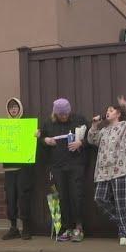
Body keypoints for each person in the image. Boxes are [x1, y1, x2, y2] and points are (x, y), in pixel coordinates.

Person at [87, 96, 126, 245]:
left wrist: (125, 107)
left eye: (111, 110)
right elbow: (91, 140)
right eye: (107, 111)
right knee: (99, 198)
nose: (108, 113)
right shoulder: (103, 131)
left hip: (121, 169)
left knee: (121, 202)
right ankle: (123, 221)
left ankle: (124, 233)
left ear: (118, 114)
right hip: (103, 171)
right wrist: (94, 125)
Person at [0, 97, 38, 240]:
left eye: (15, 107)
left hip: (23, 168)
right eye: (11, 107)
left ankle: (26, 228)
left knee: (23, 197)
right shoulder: (2, 127)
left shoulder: (27, 126)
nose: (13, 109)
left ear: (20, 109)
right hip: (9, 170)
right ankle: (13, 228)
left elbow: (35, 147)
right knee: (10, 199)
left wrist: (36, 136)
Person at [40, 98, 89, 242]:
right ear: (55, 113)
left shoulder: (79, 119)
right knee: (62, 197)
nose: (63, 117)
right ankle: (67, 228)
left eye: (65, 114)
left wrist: (81, 142)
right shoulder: (48, 123)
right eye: (60, 115)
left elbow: (92, 136)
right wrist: (45, 141)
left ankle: (78, 227)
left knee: (76, 195)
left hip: (76, 165)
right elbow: (40, 138)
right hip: (57, 166)